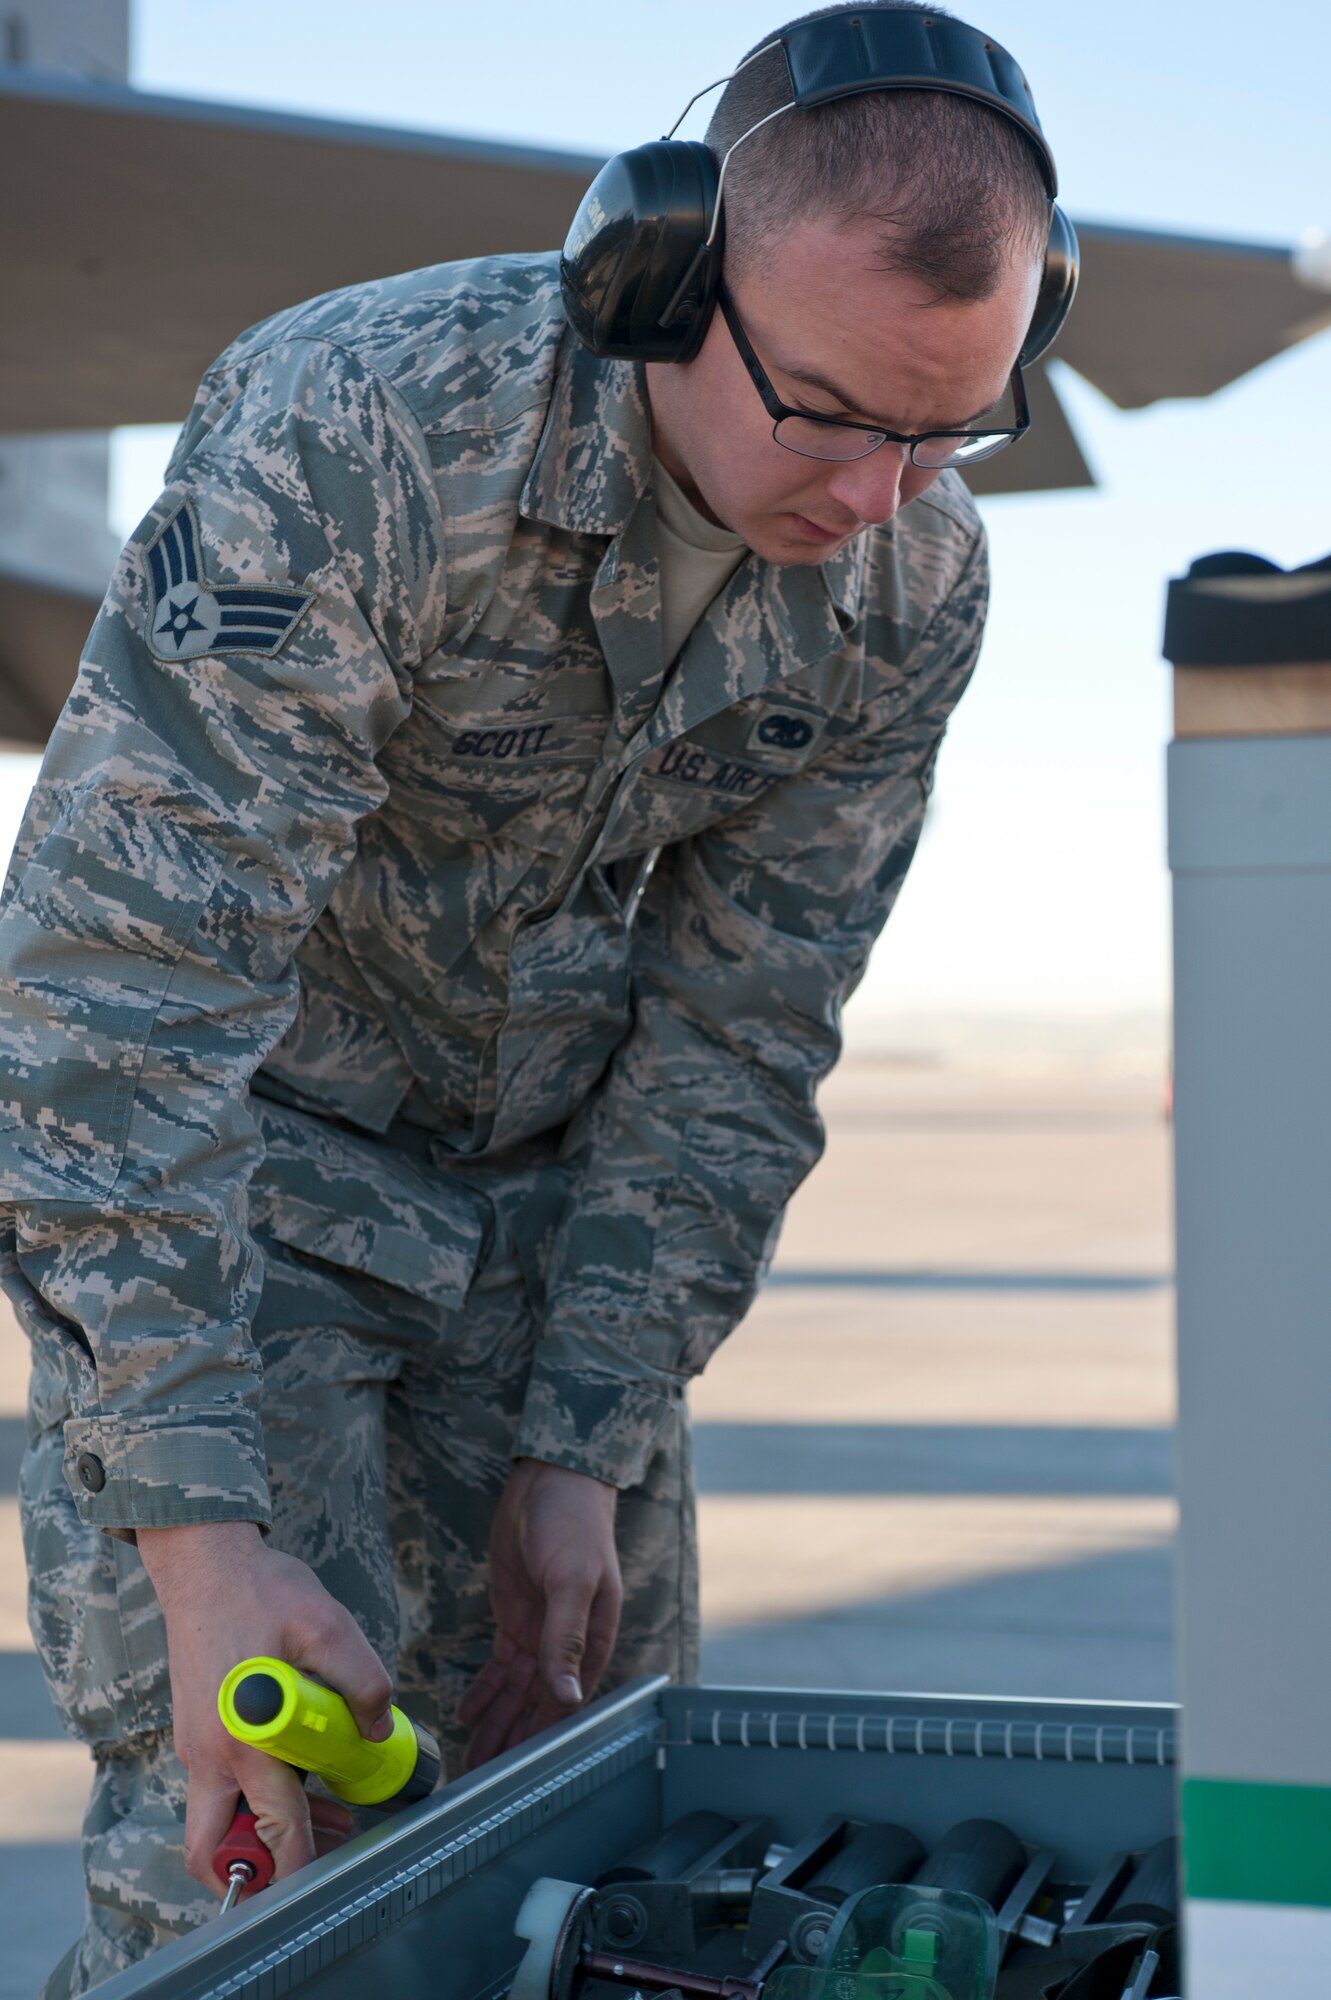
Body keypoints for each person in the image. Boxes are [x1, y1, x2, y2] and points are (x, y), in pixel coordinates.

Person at [0, 2, 1062, 1989]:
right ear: (660, 279)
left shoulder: (916, 584)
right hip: (252, 1200)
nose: (880, 496)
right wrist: (198, 1533)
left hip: (556, 1225)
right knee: (265, 1892)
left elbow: (743, 1030)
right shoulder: (369, 431)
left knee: (603, 1878)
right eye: (831, 412)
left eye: (948, 431)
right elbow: (123, 997)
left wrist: (586, 1440)